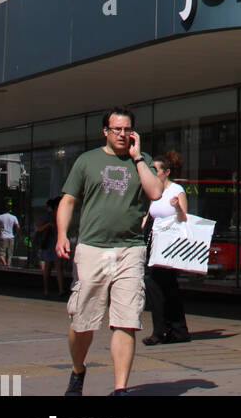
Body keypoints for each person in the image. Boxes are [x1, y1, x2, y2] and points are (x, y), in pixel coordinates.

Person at [56, 106, 161, 397]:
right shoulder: (87, 161)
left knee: (126, 320)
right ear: (106, 131)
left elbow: (155, 193)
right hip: (92, 248)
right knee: (83, 321)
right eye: (117, 129)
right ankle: (78, 371)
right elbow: (68, 200)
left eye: (127, 129)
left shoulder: (143, 160)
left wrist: (138, 158)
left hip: (130, 249)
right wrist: (62, 235)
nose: (123, 134)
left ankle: (120, 389)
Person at [142, 151, 191, 345]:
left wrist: (177, 207)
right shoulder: (153, 191)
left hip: (170, 244)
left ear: (167, 172)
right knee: (155, 285)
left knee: (166, 286)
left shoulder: (176, 190)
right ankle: (166, 329)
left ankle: (172, 330)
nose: (153, 172)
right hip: (154, 242)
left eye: (156, 169)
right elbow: (148, 216)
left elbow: (184, 218)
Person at [35, 197, 65, 296]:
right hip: (50, 243)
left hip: (54, 243)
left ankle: (53, 290)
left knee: (54, 267)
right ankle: (53, 289)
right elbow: (38, 227)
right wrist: (48, 225)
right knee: (53, 267)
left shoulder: (58, 216)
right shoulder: (51, 217)